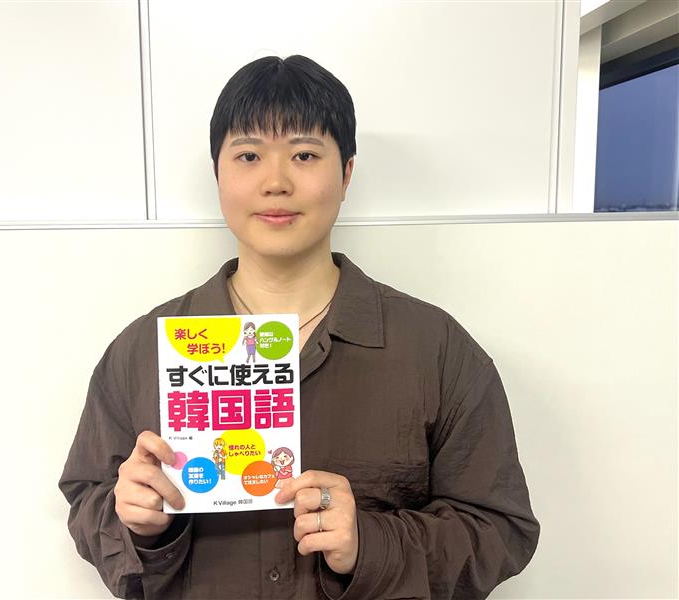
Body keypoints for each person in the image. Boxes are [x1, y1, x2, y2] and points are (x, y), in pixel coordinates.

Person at [59, 55, 539, 599]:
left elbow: (500, 530)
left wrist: (370, 544)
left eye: (305, 155)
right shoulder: (141, 351)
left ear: (347, 173)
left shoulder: (436, 349)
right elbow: (87, 502)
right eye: (248, 156)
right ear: (217, 174)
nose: (276, 182)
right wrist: (135, 521)